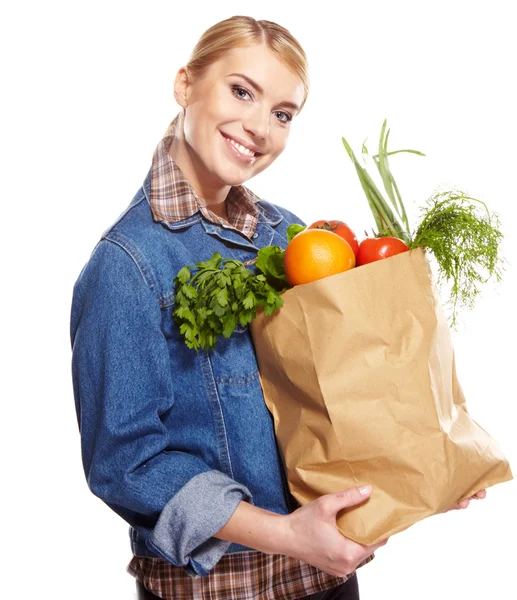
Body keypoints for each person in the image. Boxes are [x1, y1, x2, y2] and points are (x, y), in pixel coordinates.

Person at [70, 15, 485, 600]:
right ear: (186, 84)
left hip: (326, 582)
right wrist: (287, 535)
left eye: (283, 113)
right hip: (220, 592)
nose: (260, 127)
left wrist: (421, 461)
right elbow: (126, 464)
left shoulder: (289, 236)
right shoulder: (127, 264)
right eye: (242, 91)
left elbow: (332, 400)